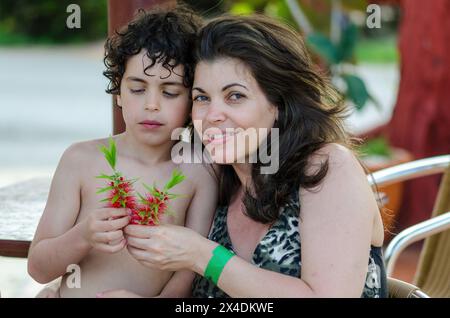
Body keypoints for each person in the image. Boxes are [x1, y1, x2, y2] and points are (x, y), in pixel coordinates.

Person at [101, 14, 388, 298]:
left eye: (235, 96)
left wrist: (203, 255)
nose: (212, 115)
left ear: (278, 103)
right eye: (202, 97)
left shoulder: (326, 169)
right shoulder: (215, 183)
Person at [27, 6, 218, 298]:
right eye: (137, 89)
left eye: (169, 92)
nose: (151, 104)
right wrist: (83, 236)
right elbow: (39, 269)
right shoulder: (81, 161)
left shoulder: (200, 171)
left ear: (193, 99)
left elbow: (187, 274)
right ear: (118, 92)